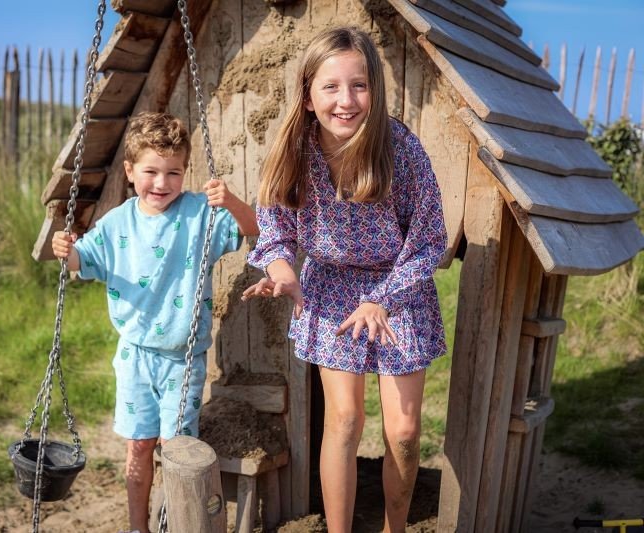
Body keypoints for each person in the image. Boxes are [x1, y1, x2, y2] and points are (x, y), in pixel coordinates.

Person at [241, 27, 447, 532]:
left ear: (374, 90)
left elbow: (428, 239)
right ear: (308, 94)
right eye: (331, 87)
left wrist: (384, 298)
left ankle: (394, 528)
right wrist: (282, 269)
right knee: (346, 419)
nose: (346, 100)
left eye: (359, 85)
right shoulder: (293, 148)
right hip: (331, 289)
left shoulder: (399, 148)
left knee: (402, 431)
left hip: (400, 290)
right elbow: (274, 225)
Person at [52, 111, 258, 533]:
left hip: (182, 360)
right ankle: (137, 526)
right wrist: (65, 249)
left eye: (173, 172)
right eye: (151, 171)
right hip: (134, 355)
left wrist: (230, 201)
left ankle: (175, 523)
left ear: (185, 172)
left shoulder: (200, 214)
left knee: (177, 449)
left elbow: (255, 228)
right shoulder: (117, 224)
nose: (161, 183)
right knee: (139, 446)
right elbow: (82, 261)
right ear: (130, 171)